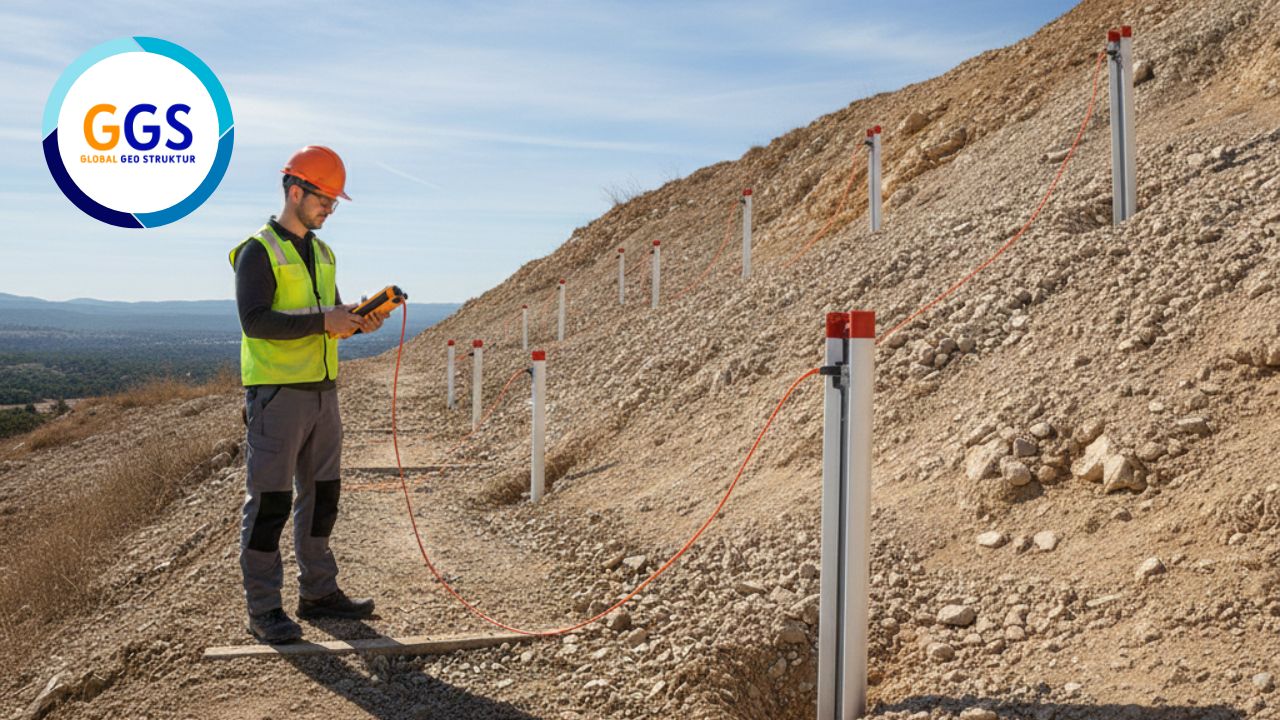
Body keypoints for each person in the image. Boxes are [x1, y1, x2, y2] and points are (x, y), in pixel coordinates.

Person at [228, 145, 386, 644]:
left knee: (323, 499)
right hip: (276, 397)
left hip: (323, 393)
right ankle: (264, 609)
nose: (329, 210)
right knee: (271, 502)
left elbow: (330, 319)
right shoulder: (258, 250)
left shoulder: (321, 252)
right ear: (295, 191)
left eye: (335, 202)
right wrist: (325, 320)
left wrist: (359, 321)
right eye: (324, 199)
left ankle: (319, 592)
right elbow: (255, 322)